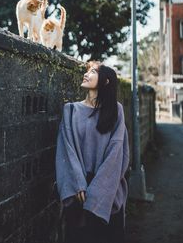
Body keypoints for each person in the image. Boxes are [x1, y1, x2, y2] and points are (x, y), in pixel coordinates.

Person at [55, 61, 130, 243]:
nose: (86, 74)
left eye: (93, 71)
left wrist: (97, 193)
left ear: (105, 82)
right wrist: (78, 183)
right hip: (79, 196)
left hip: (109, 195)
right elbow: (67, 150)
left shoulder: (116, 111)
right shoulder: (71, 110)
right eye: (87, 70)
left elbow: (116, 154)